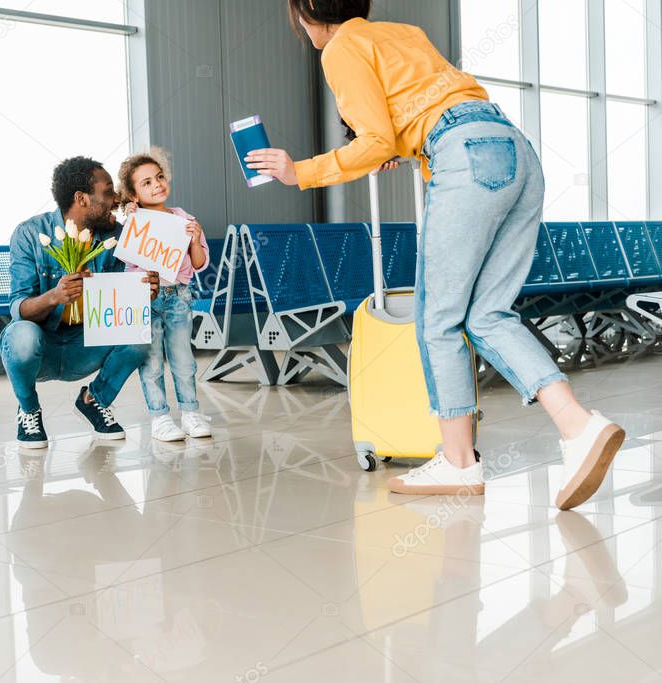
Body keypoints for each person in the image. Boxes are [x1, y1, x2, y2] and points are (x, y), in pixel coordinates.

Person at [245, 0, 626, 510]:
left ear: (309, 10)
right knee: (488, 314)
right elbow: (414, 114)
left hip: (461, 156)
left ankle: (460, 462)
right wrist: (398, 146)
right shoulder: (405, 32)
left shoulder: (340, 48)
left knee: (437, 319)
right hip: (512, 149)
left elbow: (377, 138)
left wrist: (300, 172)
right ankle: (578, 427)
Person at [0, 156, 160, 449]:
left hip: (86, 345)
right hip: (42, 346)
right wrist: (54, 297)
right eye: (108, 191)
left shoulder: (117, 236)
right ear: (81, 199)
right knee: (20, 335)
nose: (116, 199)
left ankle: (93, 400)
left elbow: (127, 304)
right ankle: (29, 410)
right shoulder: (30, 234)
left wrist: (146, 290)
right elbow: (18, 308)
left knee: (141, 332)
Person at [117, 147, 213, 442]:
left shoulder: (184, 218)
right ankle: (160, 417)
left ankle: (190, 412)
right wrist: (129, 218)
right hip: (146, 298)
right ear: (133, 195)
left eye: (159, 177)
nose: (157, 184)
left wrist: (195, 238)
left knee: (183, 357)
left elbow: (198, 263)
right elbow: (128, 261)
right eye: (146, 183)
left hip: (179, 295)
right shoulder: (134, 220)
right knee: (152, 359)